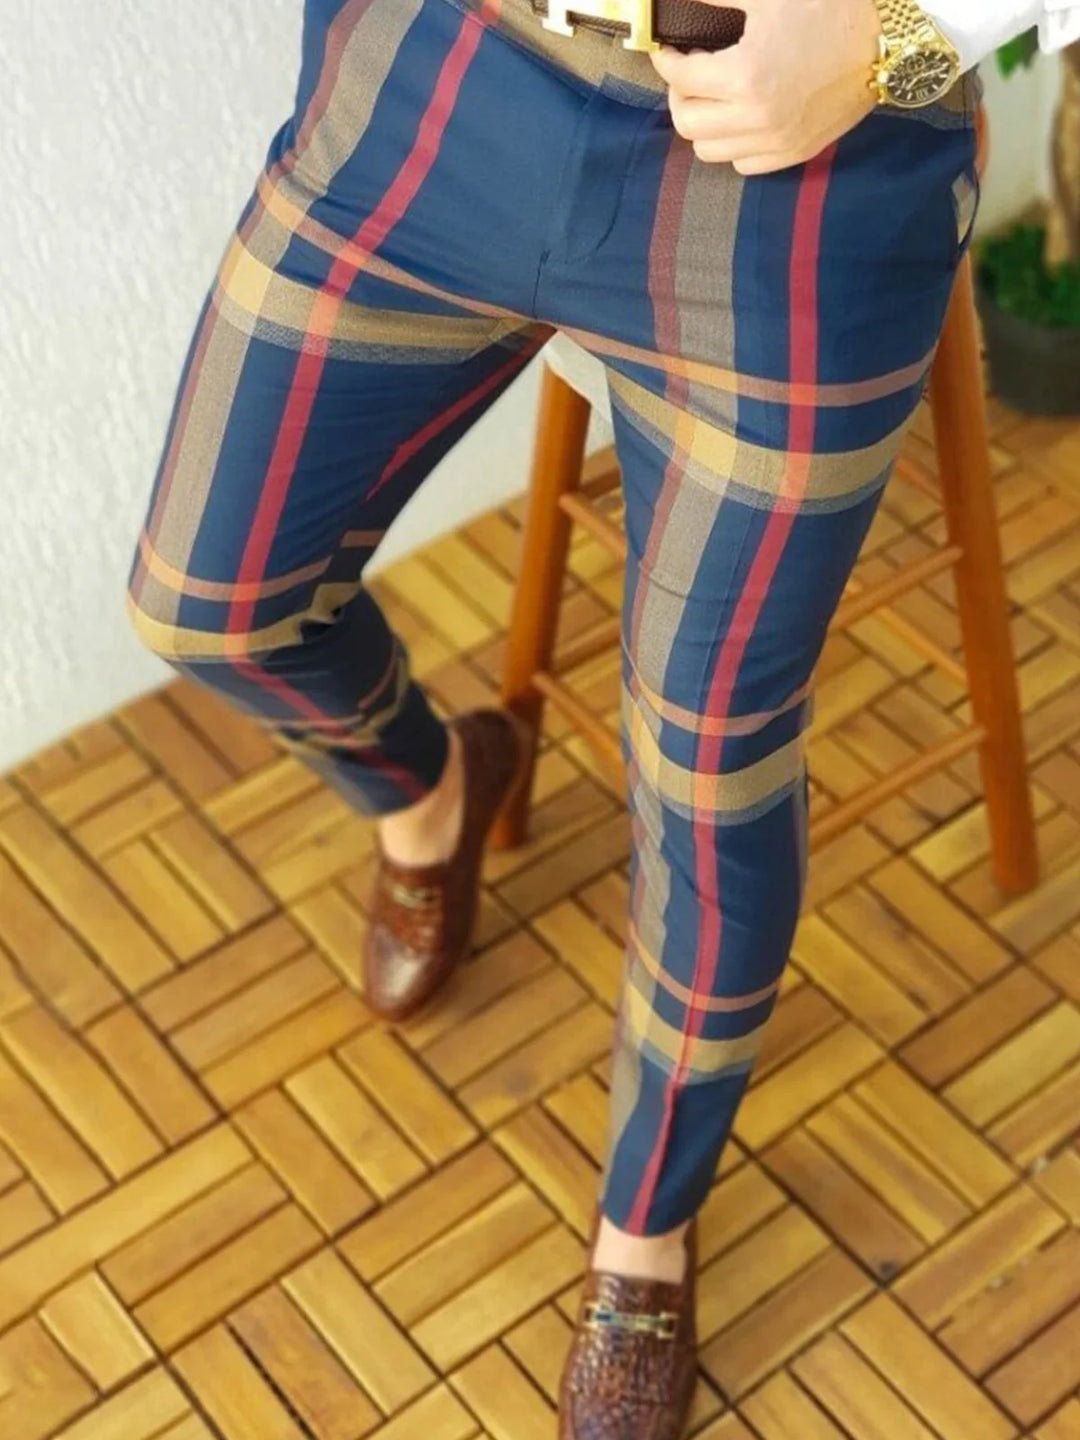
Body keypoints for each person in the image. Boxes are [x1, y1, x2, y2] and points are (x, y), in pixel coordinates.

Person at [129, 0, 1078, 1433]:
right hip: (444, 67)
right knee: (207, 597)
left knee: (706, 761)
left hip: (808, 140)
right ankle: (435, 791)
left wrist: (909, 28)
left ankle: (644, 1234)